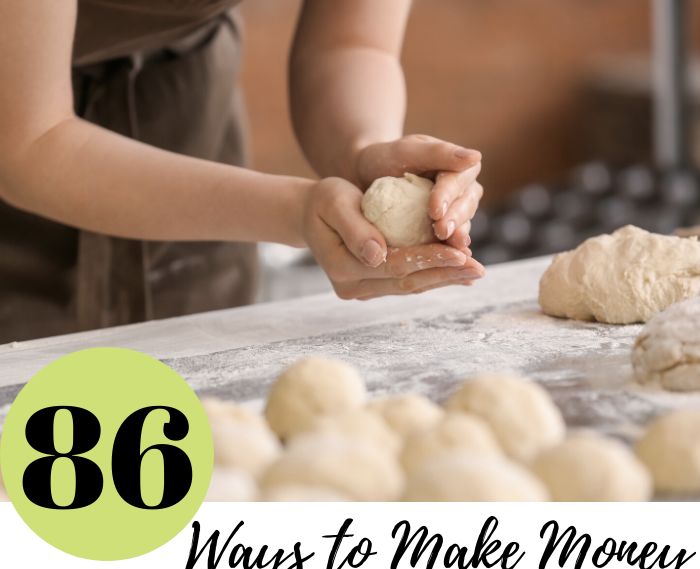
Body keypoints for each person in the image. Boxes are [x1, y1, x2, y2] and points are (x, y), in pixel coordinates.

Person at [0, 0, 485, 342]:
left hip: (181, 113)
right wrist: (292, 213)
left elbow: (351, 43)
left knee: (198, 408)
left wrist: (366, 152)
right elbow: (27, 141)